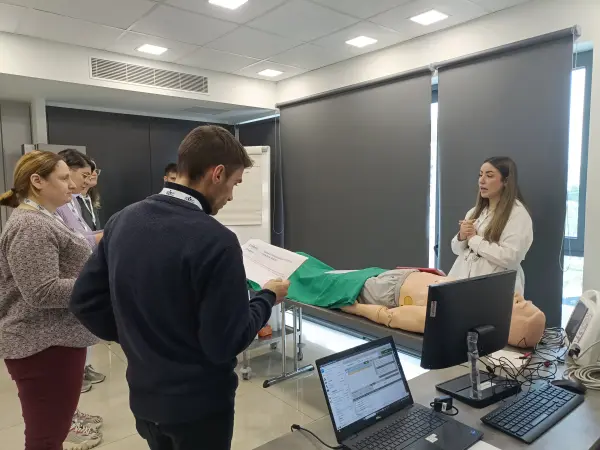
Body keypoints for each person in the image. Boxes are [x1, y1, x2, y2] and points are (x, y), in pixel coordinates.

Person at [70, 125, 290, 450]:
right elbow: (226, 342)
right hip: (199, 408)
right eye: (234, 184)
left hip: (145, 398)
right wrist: (266, 297)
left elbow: (83, 300)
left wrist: (138, 338)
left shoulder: (122, 220)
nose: (231, 196)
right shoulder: (216, 241)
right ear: (217, 173)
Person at [0, 151, 102, 450]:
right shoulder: (30, 225)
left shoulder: (44, 218)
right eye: (64, 178)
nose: (72, 185)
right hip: (43, 346)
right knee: (46, 436)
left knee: (52, 431)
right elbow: (41, 291)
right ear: (37, 181)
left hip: (54, 342)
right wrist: (98, 284)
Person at [55, 149, 106, 392]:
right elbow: (71, 240)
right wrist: (101, 237)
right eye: (82, 175)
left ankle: (80, 371)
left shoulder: (73, 201)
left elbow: (81, 232)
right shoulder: (34, 218)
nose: (86, 181)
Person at [448, 156, 533, 294]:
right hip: (463, 286)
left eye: (489, 175)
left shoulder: (518, 214)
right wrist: (462, 236)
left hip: (495, 291)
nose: (481, 180)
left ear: (506, 181)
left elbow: (511, 258)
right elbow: (457, 250)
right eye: (480, 175)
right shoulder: (474, 212)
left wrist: (474, 239)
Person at [77, 165, 101, 231]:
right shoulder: (71, 201)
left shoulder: (91, 200)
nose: (95, 174)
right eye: (91, 171)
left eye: (96, 171)